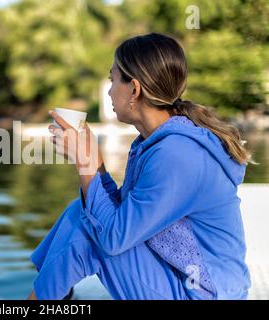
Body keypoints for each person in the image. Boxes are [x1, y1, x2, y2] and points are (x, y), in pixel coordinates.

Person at [27, 33, 254, 300]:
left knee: (88, 234)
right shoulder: (154, 142)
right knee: (81, 211)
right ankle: (53, 294)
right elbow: (120, 217)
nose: (110, 90)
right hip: (182, 276)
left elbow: (112, 238)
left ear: (134, 89)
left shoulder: (177, 154)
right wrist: (94, 162)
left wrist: (85, 161)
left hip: (204, 294)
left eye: (113, 80)